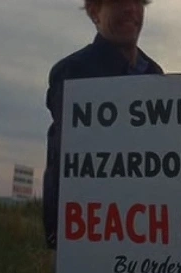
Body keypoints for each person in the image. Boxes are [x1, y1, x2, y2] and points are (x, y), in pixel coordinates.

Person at [42, 0, 164, 250]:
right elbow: (71, 159)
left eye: (139, 1)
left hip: (144, 227)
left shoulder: (155, 74)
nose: (131, 9)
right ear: (94, 11)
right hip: (88, 231)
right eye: (119, 2)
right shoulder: (73, 73)